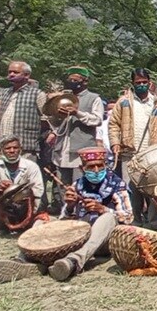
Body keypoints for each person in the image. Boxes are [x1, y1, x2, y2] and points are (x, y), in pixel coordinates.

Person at [0, 146, 134, 282]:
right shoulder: (77, 185)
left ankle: (73, 262)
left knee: (108, 218)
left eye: (99, 166)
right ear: (82, 168)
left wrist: (103, 209)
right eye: (91, 167)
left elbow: (128, 217)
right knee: (41, 221)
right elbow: (65, 221)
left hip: (103, 240)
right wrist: (69, 207)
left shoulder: (117, 184)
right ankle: (26, 260)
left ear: (105, 166)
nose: (96, 170)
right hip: (78, 236)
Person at [108, 68, 157, 231]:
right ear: (133, 83)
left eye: (144, 82)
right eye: (138, 83)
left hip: (152, 153)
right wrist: (115, 142)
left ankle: (156, 223)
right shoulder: (123, 102)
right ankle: (134, 220)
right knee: (132, 189)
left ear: (149, 82)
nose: (142, 85)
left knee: (154, 189)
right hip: (129, 153)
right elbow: (114, 124)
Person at [46, 66, 104, 209]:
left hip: (81, 149)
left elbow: (97, 120)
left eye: (75, 79)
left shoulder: (94, 98)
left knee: (80, 183)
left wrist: (77, 113)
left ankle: (82, 211)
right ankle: (66, 211)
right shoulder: (63, 99)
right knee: (62, 184)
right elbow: (54, 122)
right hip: (62, 147)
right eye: (70, 79)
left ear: (85, 81)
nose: (72, 81)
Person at [0, 135, 47, 234]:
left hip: (26, 204)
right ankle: (0, 226)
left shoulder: (31, 166)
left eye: (15, 148)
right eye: (8, 148)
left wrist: (23, 196)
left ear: (20, 149)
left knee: (40, 200)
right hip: (4, 204)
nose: (12, 151)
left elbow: (38, 189)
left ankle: (26, 223)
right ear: (0, 151)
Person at [0, 61, 46, 162]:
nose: (11, 74)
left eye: (15, 72)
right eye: (9, 72)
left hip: (25, 147)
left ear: (26, 75)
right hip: (3, 146)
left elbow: (46, 119)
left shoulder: (37, 94)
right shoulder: (5, 93)